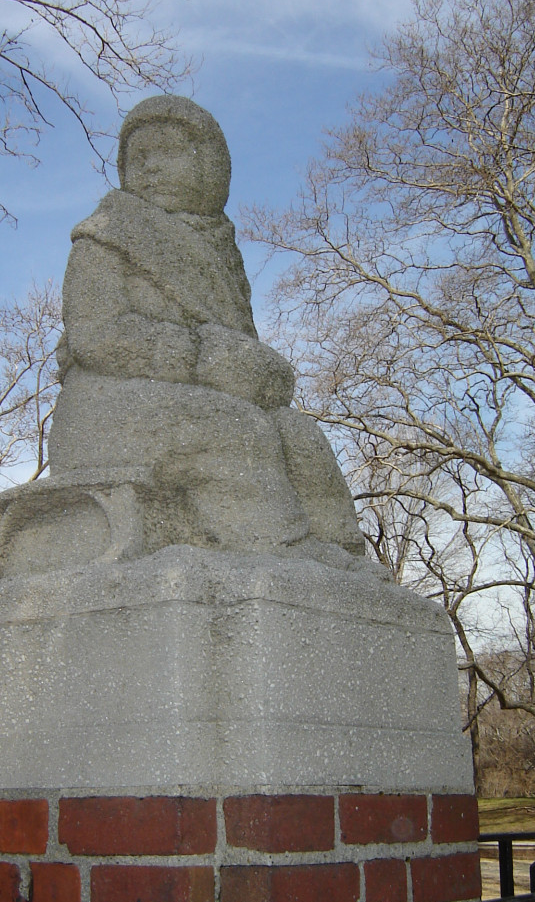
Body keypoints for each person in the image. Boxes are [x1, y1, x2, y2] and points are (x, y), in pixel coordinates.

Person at [49, 95, 364, 558]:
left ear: (209, 164)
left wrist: (259, 373)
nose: (152, 168)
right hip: (105, 407)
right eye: (140, 158)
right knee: (233, 426)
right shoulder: (104, 234)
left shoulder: (220, 250)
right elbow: (98, 335)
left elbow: (241, 351)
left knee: (299, 435)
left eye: (169, 153)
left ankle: (341, 556)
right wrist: (202, 357)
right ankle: (282, 548)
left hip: (182, 397)